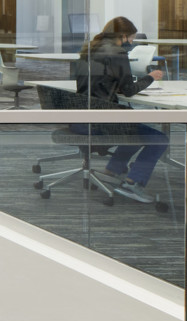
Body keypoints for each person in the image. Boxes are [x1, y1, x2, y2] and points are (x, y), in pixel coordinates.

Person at [72, 15, 168, 203]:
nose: (131, 43)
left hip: (80, 119)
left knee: (132, 127)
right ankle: (133, 183)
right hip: (101, 122)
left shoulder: (89, 49)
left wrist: (112, 84)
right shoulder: (117, 53)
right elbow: (129, 90)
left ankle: (113, 170)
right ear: (123, 36)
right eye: (131, 38)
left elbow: (98, 81)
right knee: (158, 139)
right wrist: (150, 77)